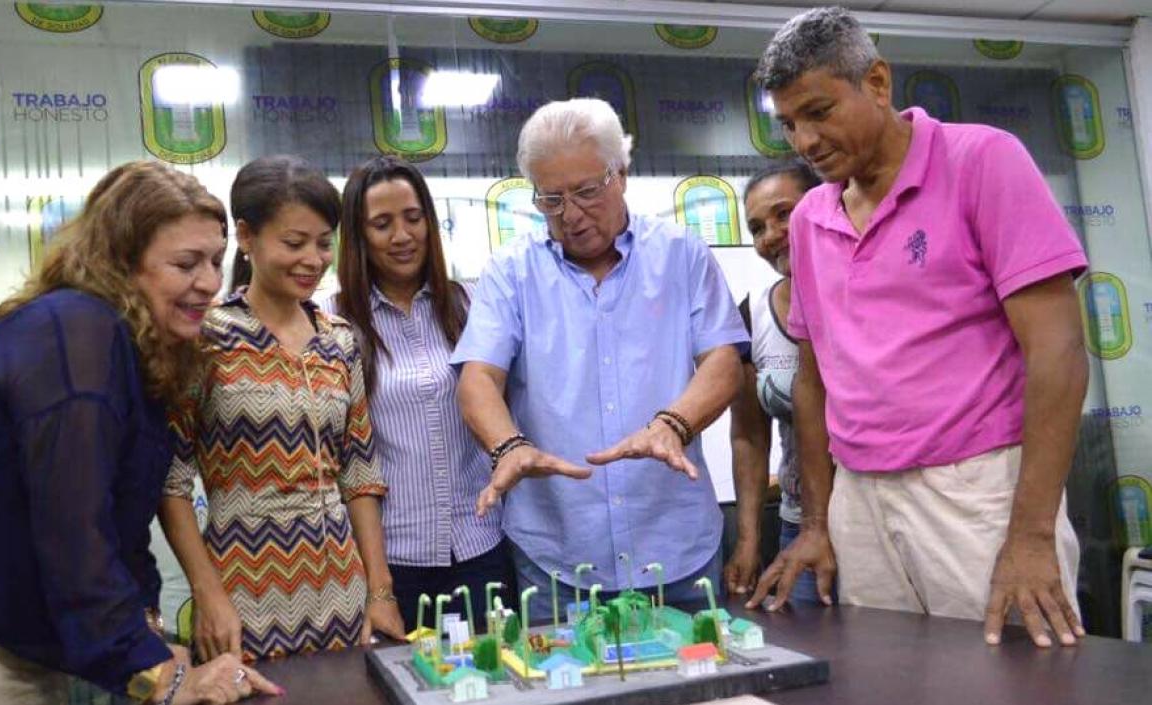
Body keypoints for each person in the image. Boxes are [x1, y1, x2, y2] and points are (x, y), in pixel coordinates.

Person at [747, 7, 1089, 649]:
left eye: (819, 112)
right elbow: (813, 383)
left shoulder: (982, 160)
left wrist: (1032, 532)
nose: (805, 141)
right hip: (861, 501)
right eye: (790, 124)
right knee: (886, 680)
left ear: (877, 83)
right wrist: (818, 522)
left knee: (1012, 681)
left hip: (976, 493)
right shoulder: (811, 218)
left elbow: (1059, 351)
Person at [0, 161, 281, 704]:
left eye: (216, 261)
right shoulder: (76, 330)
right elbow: (73, 531)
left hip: (15, 643)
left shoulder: (139, 346)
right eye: (186, 263)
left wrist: (147, 636)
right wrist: (163, 681)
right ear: (121, 263)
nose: (210, 283)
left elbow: (120, 520)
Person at [451, 98, 748, 620]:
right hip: (558, 558)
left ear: (623, 175)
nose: (571, 214)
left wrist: (673, 425)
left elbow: (723, 361)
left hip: (675, 547)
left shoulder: (682, 254)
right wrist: (508, 445)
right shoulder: (511, 273)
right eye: (550, 199)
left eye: (587, 191)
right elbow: (478, 377)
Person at [159, 156, 404, 665]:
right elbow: (171, 482)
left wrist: (380, 592)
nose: (313, 259)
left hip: (343, 592)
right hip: (240, 593)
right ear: (246, 238)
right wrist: (208, 595)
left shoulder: (339, 341)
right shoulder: (206, 338)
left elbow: (359, 474)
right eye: (294, 243)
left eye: (323, 242)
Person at [328, 155, 512, 633]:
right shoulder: (333, 322)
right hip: (392, 562)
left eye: (413, 218)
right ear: (358, 235)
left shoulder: (472, 305)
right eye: (382, 224)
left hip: (482, 548)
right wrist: (377, 584)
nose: (402, 236)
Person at [723, 161, 825, 604]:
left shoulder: (865, 295)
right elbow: (748, 434)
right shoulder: (753, 314)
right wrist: (748, 539)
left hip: (871, 520)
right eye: (757, 227)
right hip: (796, 524)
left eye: (785, 214)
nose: (771, 235)